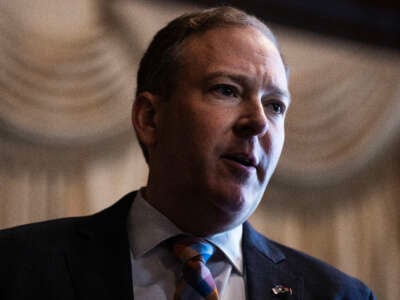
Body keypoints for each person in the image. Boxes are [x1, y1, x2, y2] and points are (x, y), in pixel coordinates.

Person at [0, 6, 375, 300]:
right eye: (227, 90)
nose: (259, 122)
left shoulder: (340, 296)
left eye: (275, 105)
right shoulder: (18, 267)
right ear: (149, 118)